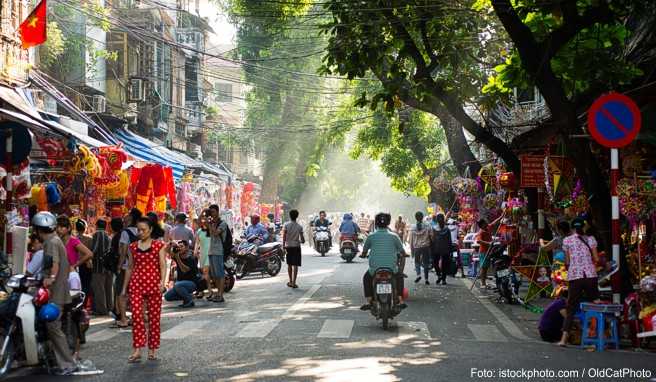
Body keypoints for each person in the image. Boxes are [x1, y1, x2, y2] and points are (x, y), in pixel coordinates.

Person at [33, 212, 77, 375]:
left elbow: (54, 263)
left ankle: (68, 364)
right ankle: (55, 359)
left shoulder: (51, 242)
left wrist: (50, 278)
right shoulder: (55, 240)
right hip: (57, 290)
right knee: (52, 328)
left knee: (54, 328)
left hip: (55, 292)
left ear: (39, 229)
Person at [122, 217, 167, 363]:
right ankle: (137, 350)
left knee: (154, 318)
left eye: (143, 230)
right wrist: (124, 288)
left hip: (154, 285)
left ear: (151, 230)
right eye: (138, 230)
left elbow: (163, 265)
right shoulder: (133, 247)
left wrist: (163, 282)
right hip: (136, 285)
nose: (140, 232)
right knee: (136, 316)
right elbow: (129, 267)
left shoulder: (159, 245)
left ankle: (152, 350)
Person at [558, 217, 600, 347]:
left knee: (571, 308)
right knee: (596, 304)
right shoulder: (591, 239)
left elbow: (568, 262)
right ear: (584, 226)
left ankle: (564, 340)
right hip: (590, 275)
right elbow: (596, 258)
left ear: (572, 228)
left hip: (575, 276)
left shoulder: (567, 241)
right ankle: (598, 335)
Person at [359, 212, 407, 311]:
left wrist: (363, 255)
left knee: (366, 278)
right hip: (391, 268)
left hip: (375, 269)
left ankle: (369, 300)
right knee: (399, 277)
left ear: (376, 223)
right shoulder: (394, 236)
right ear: (388, 223)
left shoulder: (371, 236)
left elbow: (364, 251)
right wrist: (404, 254)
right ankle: (400, 299)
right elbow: (402, 251)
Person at [116, 208, 141, 328]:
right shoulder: (142, 231)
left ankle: (123, 318)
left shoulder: (126, 233)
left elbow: (123, 252)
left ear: (131, 218)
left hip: (127, 267)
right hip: (140, 267)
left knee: (122, 292)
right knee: (136, 292)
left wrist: (119, 266)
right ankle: (137, 316)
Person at [165, 240, 200, 308]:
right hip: (180, 284)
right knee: (167, 296)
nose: (180, 248)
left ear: (187, 247)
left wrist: (178, 258)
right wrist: (171, 244)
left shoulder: (191, 257)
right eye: (178, 246)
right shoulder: (178, 255)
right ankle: (187, 296)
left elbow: (185, 270)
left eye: (181, 246)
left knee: (178, 285)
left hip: (192, 283)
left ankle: (189, 300)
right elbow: (167, 250)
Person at [90, 219, 113, 316]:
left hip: (99, 266)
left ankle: (101, 310)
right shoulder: (108, 236)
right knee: (108, 288)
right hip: (108, 268)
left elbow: (94, 250)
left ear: (96, 225)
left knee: (99, 288)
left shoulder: (97, 235)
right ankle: (109, 307)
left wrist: (89, 257)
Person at [207, 204, 228, 303]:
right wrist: (204, 212)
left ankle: (220, 294)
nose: (211, 214)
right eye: (210, 212)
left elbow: (215, 233)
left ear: (217, 212)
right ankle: (217, 293)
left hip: (218, 251)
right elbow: (199, 224)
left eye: (213, 212)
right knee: (214, 274)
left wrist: (210, 225)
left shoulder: (222, 223)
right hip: (211, 250)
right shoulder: (211, 223)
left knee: (220, 273)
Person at [475, 215, 503, 289]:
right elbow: (478, 241)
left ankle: (484, 282)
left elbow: (494, 222)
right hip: (483, 252)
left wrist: (501, 216)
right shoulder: (481, 232)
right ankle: (482, 283)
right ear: (482, 225)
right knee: (483, 268)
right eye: (485, 223)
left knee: (486, 267)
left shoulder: (487, 228)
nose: (487, 223)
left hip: (488, 251)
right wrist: (488, 243)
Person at [283, 209, 305, 289]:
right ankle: (294, 282)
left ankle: (290, 281)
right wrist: (300, 240)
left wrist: (283, 246)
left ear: (290, 216)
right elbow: (303, 240)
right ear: (297, 216)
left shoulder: (286, 225)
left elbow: (284, 237)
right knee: (295, 265)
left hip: (288, 246)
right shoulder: (299, 227)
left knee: (289, 264)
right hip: (296, 246)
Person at [409, 211, 432, 285]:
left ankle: (418, 275)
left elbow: (411, 240)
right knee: (426, 263)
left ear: (415, 218)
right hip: (425, 247)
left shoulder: (413, 227)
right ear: (422, 217)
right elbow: (431, 236)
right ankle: (426, 279)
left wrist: (412, 250)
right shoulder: (428, 225)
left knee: (417, 262)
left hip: (417, 248)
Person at [74, 219, 94, 298]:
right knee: (86, 285)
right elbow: (92, 252)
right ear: (85, 228)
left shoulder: (73, 239)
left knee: (77, 285)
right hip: (86, 264)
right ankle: (84, 303)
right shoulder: (90, 239)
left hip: (75, 264)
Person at [194, 211, 212, 297]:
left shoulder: (212, 230)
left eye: (205, 219)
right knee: (204, 273)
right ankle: (204, 290)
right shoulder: (199, 231)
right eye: (202, 219)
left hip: (210, 254)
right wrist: (195, 251)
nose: (203, 221)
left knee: (205, 272)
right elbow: (197, 243)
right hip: (202, 254)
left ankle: (209, 291)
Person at [432, 214, 453, 285]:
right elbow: (433, 240)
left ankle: (441, 277)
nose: (440, 220)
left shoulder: (445, 229)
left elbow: (433, 240)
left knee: (439, 264)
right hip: (441, 249)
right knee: (441, 264)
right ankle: (441, 277)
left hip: (440, 249)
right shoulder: (436, 229)